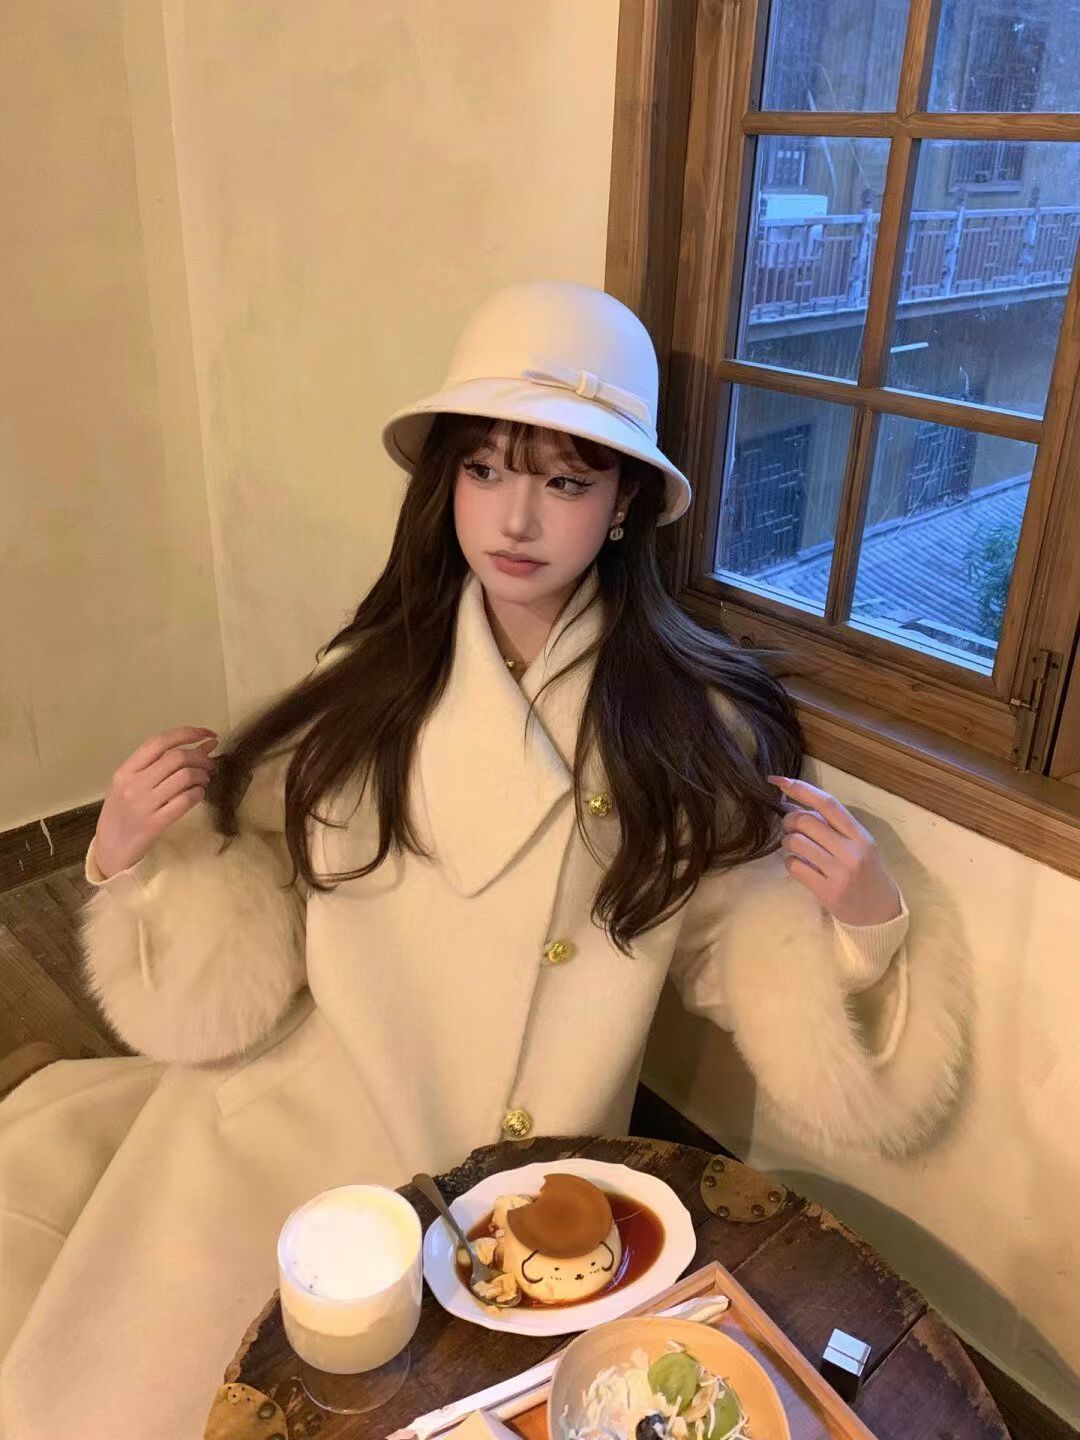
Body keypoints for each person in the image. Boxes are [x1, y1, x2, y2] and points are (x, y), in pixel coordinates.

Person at [0, 280, 965, 1440]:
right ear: (446, 482)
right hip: (312, 1120)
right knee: (143, 1394)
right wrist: (138, 862)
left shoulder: (679, 725)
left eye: (565, 482)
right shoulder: (363, 690)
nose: (516, 518)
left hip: (532, 1185)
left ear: (624, 506)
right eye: (486, 470)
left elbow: (723, 951)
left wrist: (864, 921)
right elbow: (253, 929)